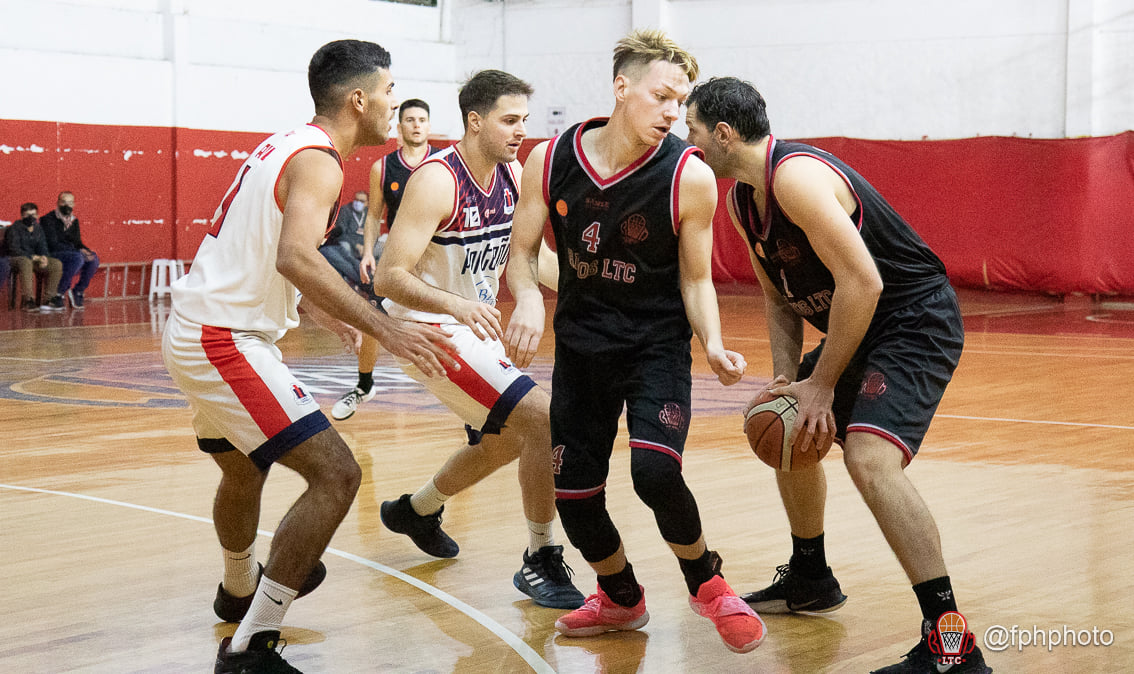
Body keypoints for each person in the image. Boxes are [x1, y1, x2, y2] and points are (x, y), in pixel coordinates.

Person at [161, 39, 457, 673]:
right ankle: (252, 647)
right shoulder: (321, 162)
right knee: (337, 475)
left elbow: (277, 254)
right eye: (388, 90)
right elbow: (296, 255)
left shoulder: (285, 144)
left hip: (199, 327)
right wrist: (386, 328)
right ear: (359, 99)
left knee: (243, 471)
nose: (394, 101)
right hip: (222, 338)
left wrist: (330, 317)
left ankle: (238, 590)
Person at [685, 76, 991, 674]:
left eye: (692, 129)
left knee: (869, 460)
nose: (688, 143)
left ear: (723, 134)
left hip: (912, 318)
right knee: (786, 429)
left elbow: (865, 282)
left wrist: (821, 384)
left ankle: (952, 648)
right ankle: (810, 576)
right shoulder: (742, 201)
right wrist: (785, 380)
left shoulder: (794, 178)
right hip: (864, 325)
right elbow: (779, 298)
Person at [505, 30, 765, 654]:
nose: (674, 112)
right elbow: (520, 254)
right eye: (662, 96)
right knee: (574, 495)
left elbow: (696, 278)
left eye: (681, 101)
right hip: (581, 350)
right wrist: (527, 301)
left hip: (655, 347)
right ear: (622, 88)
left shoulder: (689, 175)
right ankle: (620, 596)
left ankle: (708, 585)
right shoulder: (551, 158)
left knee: (654, 471)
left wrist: (715, 343)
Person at [372, 70, 584, 610]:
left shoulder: (513, 173)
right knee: (542, 417)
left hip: (474, 322)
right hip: (429, 327)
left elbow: (529, 257)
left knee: (508, 438)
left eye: (524, 122)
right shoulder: (438, 180)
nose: (520, 132)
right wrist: (457, 304)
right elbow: (389, 277)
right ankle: (540, 557)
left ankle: (416, 511)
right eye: (509, 121)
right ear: (474, 120)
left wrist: (595, 285)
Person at [330, 98, 440, 421]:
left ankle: (475, 410)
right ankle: (364, 385)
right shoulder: (383, 167)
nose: (417, 125)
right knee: (374, 318)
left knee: (454, 321)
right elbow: (374, 215)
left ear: (429, 126)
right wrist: (367, 252)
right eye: (410, 119)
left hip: (437, 252)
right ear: (400, 126)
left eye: (422, 119)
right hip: (396, 254)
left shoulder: (444, 164)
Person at [41, 191, 99, 309]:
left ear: (74, 205)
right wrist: (78, 251)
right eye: (64, 202)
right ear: (58, 203)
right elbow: (53, 243)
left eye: (70, 203)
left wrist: (85, 250)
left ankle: (78, 290)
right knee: (77, 258)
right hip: (53, 252)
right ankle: (59, 294)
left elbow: (77, 242)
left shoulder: (74, 221)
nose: (67, 205)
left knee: (94, 259)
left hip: (71, 252)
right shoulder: (47, 219)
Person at [8, 202, 64, 312]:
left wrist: (44, 257)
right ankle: (28, 300)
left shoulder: (38, 229)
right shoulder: (14, 228)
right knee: (26, 261)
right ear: (22, 216)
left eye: (33, 215)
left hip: (34, 259)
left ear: (37, 216)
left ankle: (49, 299)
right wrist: (33, 257)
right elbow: (14, 249)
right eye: (27, 215)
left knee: (56, 264)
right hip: (16, 259)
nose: (31, 218)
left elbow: (43, 245)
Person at [318, 189, 377, 293]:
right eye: (356, 200)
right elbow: (342, 234)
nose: (358, 203)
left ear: (367, 203)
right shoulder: (345, 210)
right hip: (343, 245)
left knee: (344, 260)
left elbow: (374, 234)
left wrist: (367, 248)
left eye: (362, 201)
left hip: (364, 247)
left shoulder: (369, 214)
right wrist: (356, 245)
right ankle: (362, 281)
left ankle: (362, 280)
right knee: (340, 253)